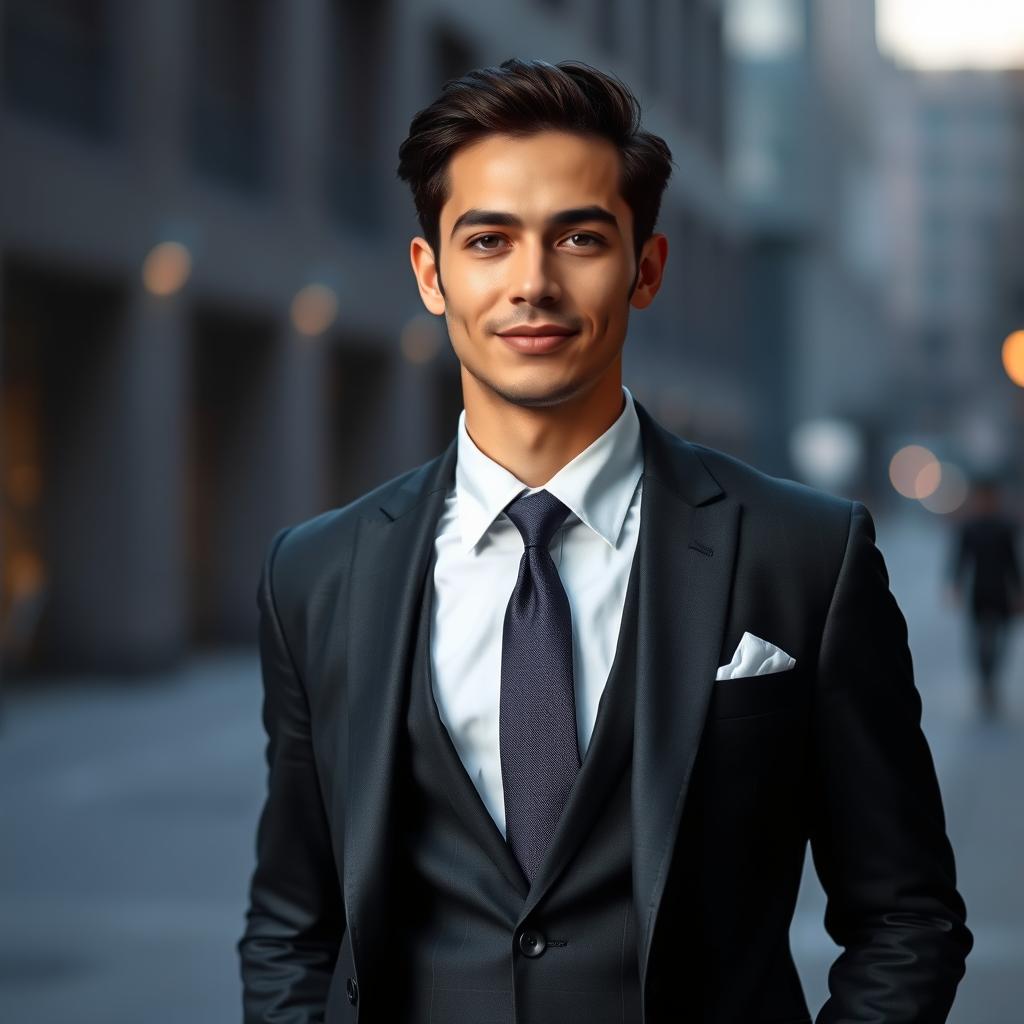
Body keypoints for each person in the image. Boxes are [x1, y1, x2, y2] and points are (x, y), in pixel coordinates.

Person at [238, 59, 971, 1023]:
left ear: (646, 268)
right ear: (431, 274)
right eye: (488, 240)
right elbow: (295, 918)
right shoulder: (319, 570)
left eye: (579, 237)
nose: (532, 283)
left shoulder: (805, 554)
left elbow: (906, 917)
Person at [946, 476, 1021, 718]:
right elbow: (960, 559)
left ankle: (991, 679)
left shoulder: (1005, 527)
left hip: (1001, 593)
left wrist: (1019, 592)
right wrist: (955, 586)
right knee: (979, 641)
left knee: (1002, 640)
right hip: (979, 592)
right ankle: (985, 681)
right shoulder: (970, 528)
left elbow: (1013, 563)